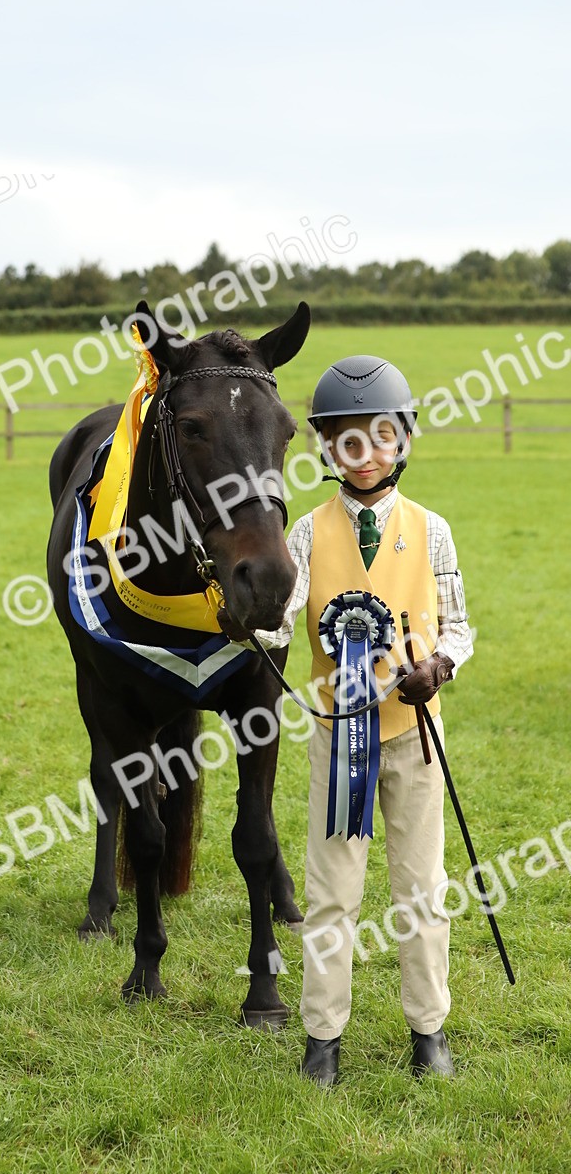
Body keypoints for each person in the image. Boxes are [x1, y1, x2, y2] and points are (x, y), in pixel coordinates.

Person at [254, 355, 474, 1086]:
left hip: (415, 738)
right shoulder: (309, 534)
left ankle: (429, 1029)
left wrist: (436, 666)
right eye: (347, 439)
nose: (365, 452)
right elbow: (281, 619)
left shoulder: (432, 529)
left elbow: (459, 628)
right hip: (337, 735)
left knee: (421, 888)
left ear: (403, 440)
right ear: (327, 448)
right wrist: (250, 621)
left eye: (380, 435)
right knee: (333, 893)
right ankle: (323, 1037)